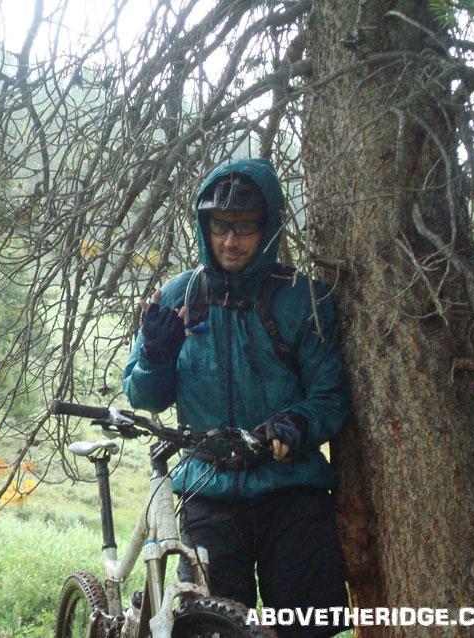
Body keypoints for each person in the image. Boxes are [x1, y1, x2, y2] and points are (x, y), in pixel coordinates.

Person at [122, 159, 352, 638]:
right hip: (208, 494)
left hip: (291, 493)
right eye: (221, 227)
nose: (231, 241)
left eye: (245, 228)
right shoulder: (180, 294)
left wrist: (296, 424)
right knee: (210, 628)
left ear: (268, 230)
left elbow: (331, 395)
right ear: (205, 226)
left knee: (306, 629)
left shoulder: (301, 299)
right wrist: (157, 356)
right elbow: (144, 396)